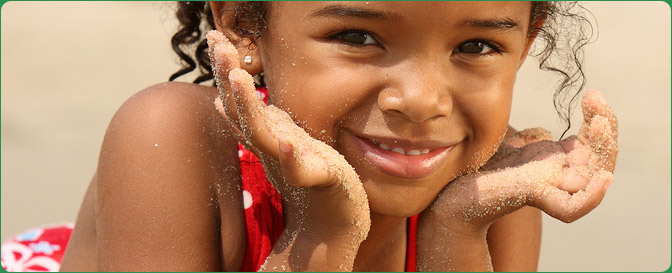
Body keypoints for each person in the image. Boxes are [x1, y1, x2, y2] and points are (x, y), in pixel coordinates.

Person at [53, 1, 619, 272]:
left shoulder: (497, 178)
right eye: (357, 35)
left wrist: (457, 231)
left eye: (475, 46)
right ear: (244, 26)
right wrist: (323, 229)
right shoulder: (172, 137)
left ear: (525, 42)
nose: (422, 101)